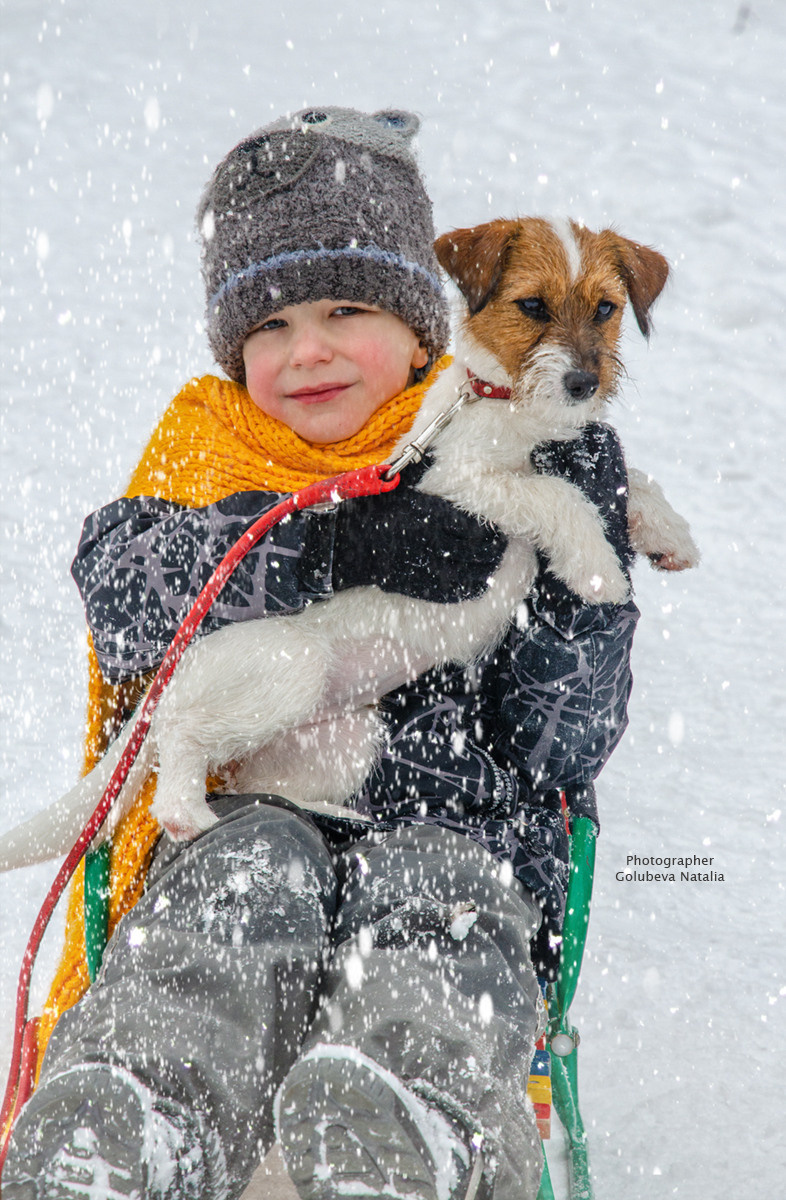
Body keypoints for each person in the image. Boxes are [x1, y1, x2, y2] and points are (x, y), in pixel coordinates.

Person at [3, 107, 639, 1200]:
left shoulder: (487, 444)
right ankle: (131, 1122)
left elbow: (561, 738)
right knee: (226, 915)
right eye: (271, 325)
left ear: (426, 321)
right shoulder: (207, 445)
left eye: (347, 308)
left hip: (453, 819)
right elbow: (126, 586)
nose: (308, 350)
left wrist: (589, 592)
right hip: (248, 806)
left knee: (439, 934)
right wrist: (325, 542)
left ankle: (407, 1128)